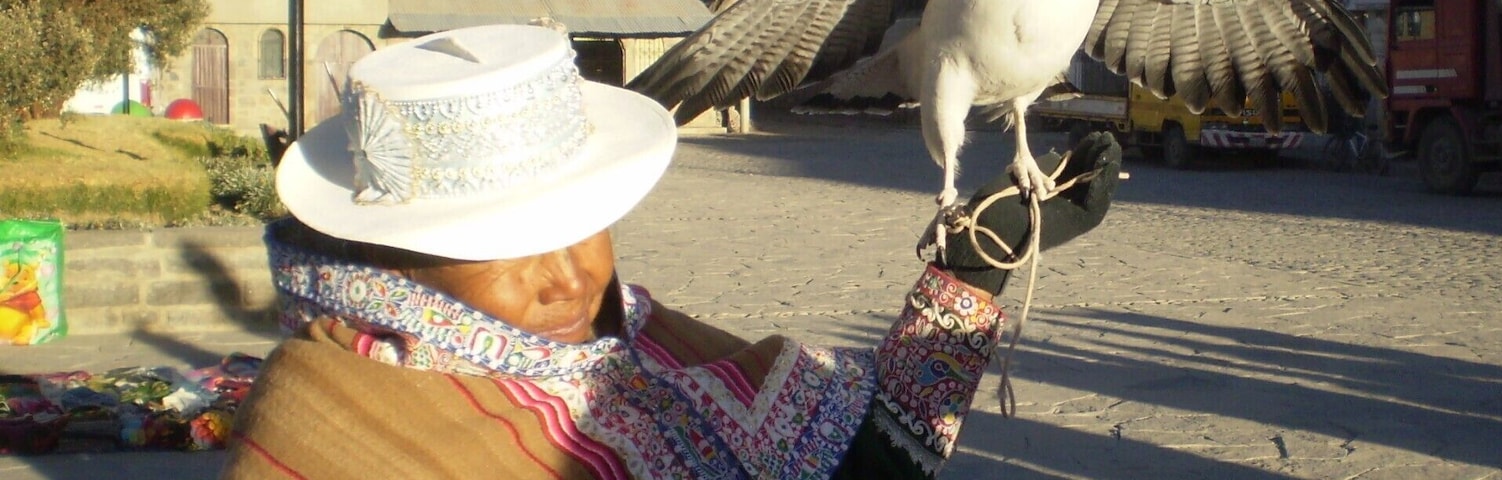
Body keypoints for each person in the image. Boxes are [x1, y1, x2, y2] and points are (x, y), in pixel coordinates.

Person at [220, 24, 1123, 479]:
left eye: (587, 220)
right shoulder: (324, 432)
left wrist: (970, 274)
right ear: (392, 253)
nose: (571, 276)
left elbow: (866, 462)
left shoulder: (643, 351)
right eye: (511, 244)